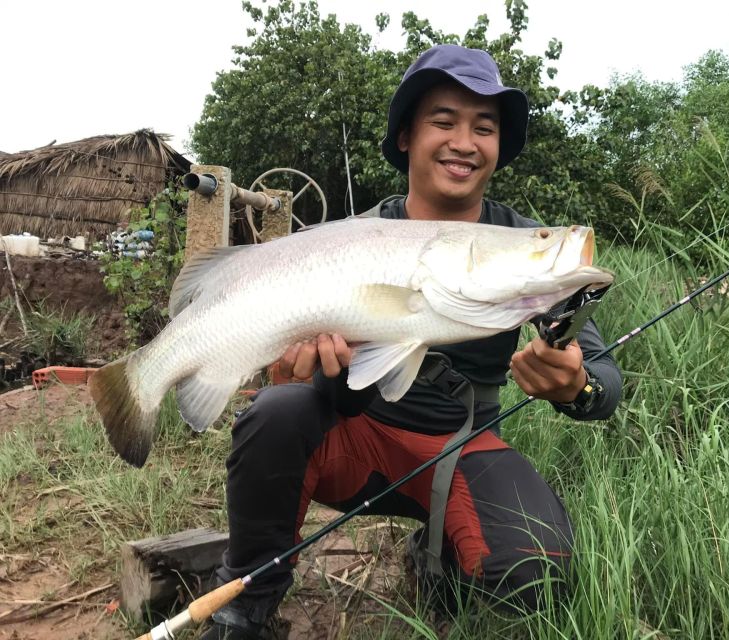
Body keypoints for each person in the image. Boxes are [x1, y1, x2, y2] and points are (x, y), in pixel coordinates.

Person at [201, 44, 622, 639]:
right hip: (356, 441)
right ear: (406, 136)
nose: (464, 142)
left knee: (536, 567)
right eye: (443, 121)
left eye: (485, 127)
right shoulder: (354, 238)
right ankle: (247, 602)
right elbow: (325, 387)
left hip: (462, 446)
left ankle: (441, 563)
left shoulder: (524, 246)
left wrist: (575, 385)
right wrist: (302, 369)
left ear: (499, 147)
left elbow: (604, 387)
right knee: (278, 410)